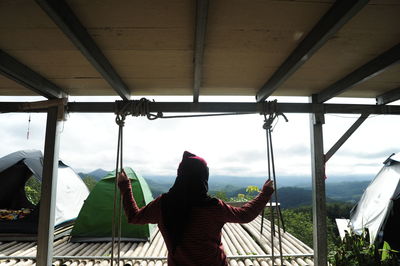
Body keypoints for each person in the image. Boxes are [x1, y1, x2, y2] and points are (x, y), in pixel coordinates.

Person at [118, 151, 274, 266]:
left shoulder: (163, 203)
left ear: (180, 175)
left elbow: (134, 217)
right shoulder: (213, 206)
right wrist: (265, 193)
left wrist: (125, 186)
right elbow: (245, 215)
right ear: (203, 177)